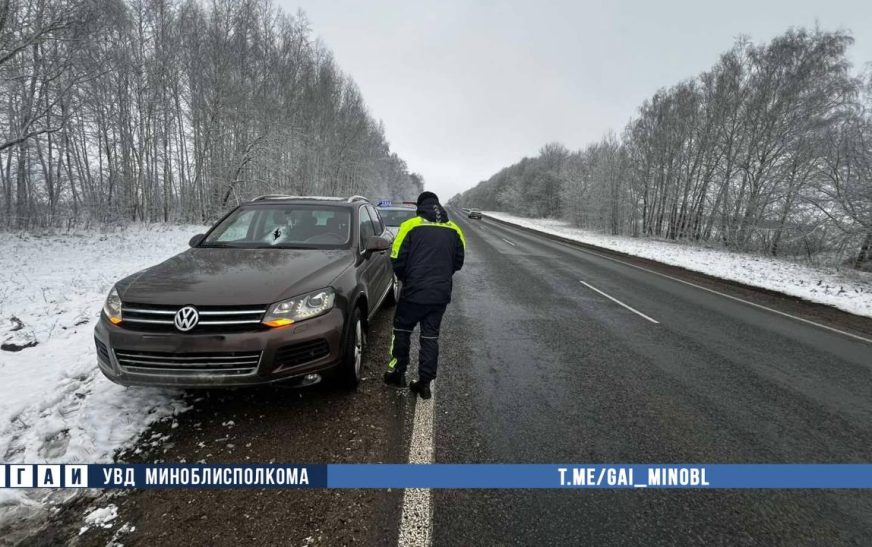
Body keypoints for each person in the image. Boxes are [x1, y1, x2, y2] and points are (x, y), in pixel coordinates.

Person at [383, 191, 466, 399]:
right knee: (430, 337)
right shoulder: (454, 229)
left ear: (421, 206)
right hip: (439, 295)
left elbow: (396, 258)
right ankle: (425, 383)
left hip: (413, 293)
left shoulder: (410, 226)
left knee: (401, 331)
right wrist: (440, 276)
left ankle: (397, 373)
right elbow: (458, 262)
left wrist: (407, 278)